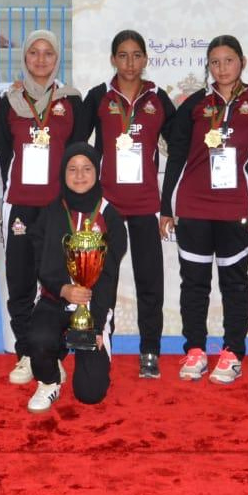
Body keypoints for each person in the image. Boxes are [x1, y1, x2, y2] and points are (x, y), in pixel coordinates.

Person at [160, 35, 248, 385]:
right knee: (193, 284)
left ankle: (232, 351)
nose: (221, 68)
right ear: (207, 66)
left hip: (237, 209)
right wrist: (167, 207)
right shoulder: (194, 105)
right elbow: (176, 157)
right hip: (193, 208)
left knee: (234, 284)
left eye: (228, 60)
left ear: (243, 61)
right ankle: (194, 349)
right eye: (215, 62)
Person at [75, 30, 175, 379]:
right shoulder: (99, 97)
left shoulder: (158, 98)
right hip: (108, 207)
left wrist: (168, 203)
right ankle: (103, 344)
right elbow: (77, 146)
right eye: (123, 55)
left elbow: (180, 143)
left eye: (136, 55)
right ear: (112, 59)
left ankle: (150, 351)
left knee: (151, 282)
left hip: (147, 205)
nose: (129, 62)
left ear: (146, 59)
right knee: (103, 280)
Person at [0, 30, 82, 385]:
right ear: (25, 57)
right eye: (34, 52)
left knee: (55, 285)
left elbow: (79, 157)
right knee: (19, 282)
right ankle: (25, 354)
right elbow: (2, 154)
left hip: (56, 209)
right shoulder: (9, 100)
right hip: (19, 206)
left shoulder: (72, 101)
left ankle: (53, 353)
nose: (41, 59)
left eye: (48, 53)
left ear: (58, 58)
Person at [25, 143, 129, 412]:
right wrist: (62, 289)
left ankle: (96, 347)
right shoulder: (50, 212)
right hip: (55, 299)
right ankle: (49, 381)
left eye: (86, 169)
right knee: (37, 339)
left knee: (90, 393)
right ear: (62, 173)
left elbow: (109, 276)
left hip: (92, 308)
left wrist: (95, 328)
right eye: (72, 169)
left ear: (97, 172)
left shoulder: (110, 217)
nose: (79, 175)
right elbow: (39, 263)